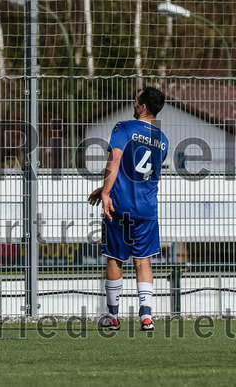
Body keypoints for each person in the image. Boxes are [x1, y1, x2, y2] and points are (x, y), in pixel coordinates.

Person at [88, 86, 168, 332]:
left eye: (135, 100)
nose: (133, 103)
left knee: (115, 257)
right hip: (147, 209)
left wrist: (106, 192)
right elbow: (142, 173)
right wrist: (104, 187)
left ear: (143, 106)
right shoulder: (163, 140)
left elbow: (115, 161)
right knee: (143, 261)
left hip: (121, 205)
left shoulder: (124, 127)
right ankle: (147, 317)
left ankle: (113, 316)